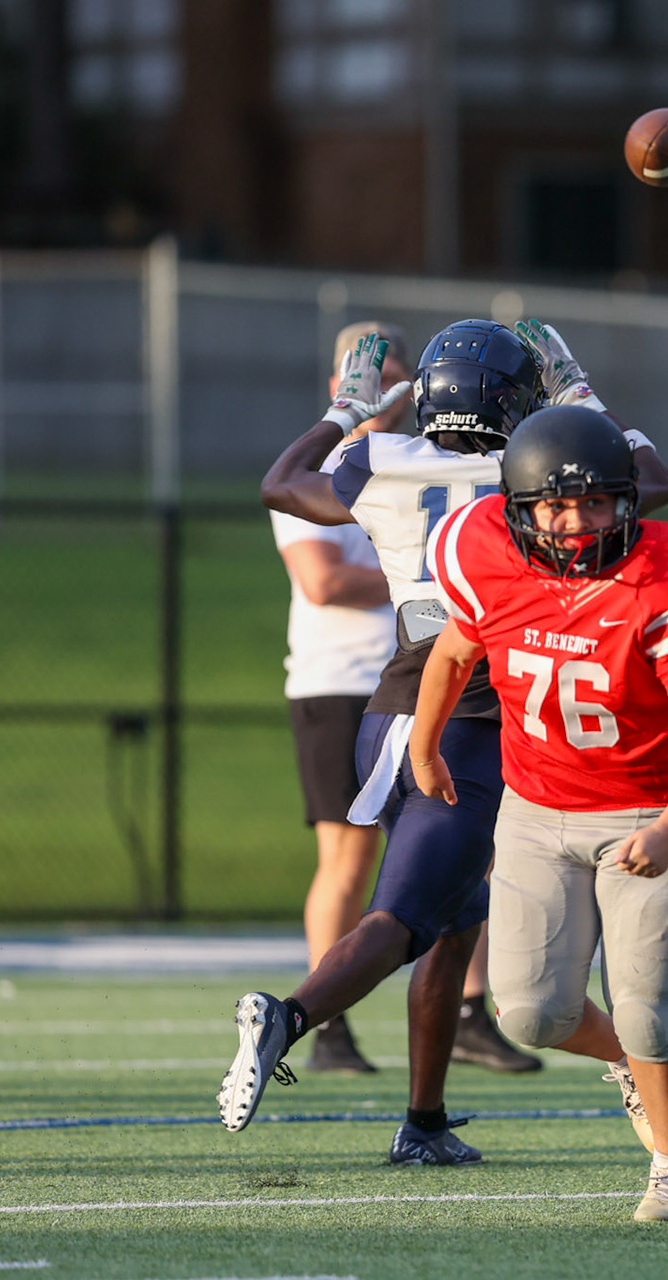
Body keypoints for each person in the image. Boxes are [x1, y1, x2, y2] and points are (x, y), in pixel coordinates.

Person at [224, 319, 668, 1165]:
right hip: (469, 722)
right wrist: (580, 393)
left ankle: (424, 1123)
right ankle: (289, 1016)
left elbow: (283, 483)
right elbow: (653, 483)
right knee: (402, 918)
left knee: (455, 920)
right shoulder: (531, 473)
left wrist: (344, 409)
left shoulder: (383, 459)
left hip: (390, 709)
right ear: (517, 399)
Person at [411, 405, 668, 1222]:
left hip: (662, 805)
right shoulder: (482, 552)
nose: (575, 522)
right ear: (517, 508)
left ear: (628, 502)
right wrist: (424, 745)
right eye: (556, 506)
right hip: (538, 807)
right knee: (530, 1011)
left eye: (596, 503)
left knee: (649, 1009)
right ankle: (630, 1067)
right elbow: (456, 649)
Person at [268, 320, 404, 1075]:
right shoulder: (315, 466)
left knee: (469, 852)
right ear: (337, 386)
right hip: (339, 684)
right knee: (347, 860)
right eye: (363, 374)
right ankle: (328, 1027)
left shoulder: (421, 462)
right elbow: (322, 583)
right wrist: (423, 574)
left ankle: (468, 1010)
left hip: (415, 682)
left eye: (391, 374)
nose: (380, 389)